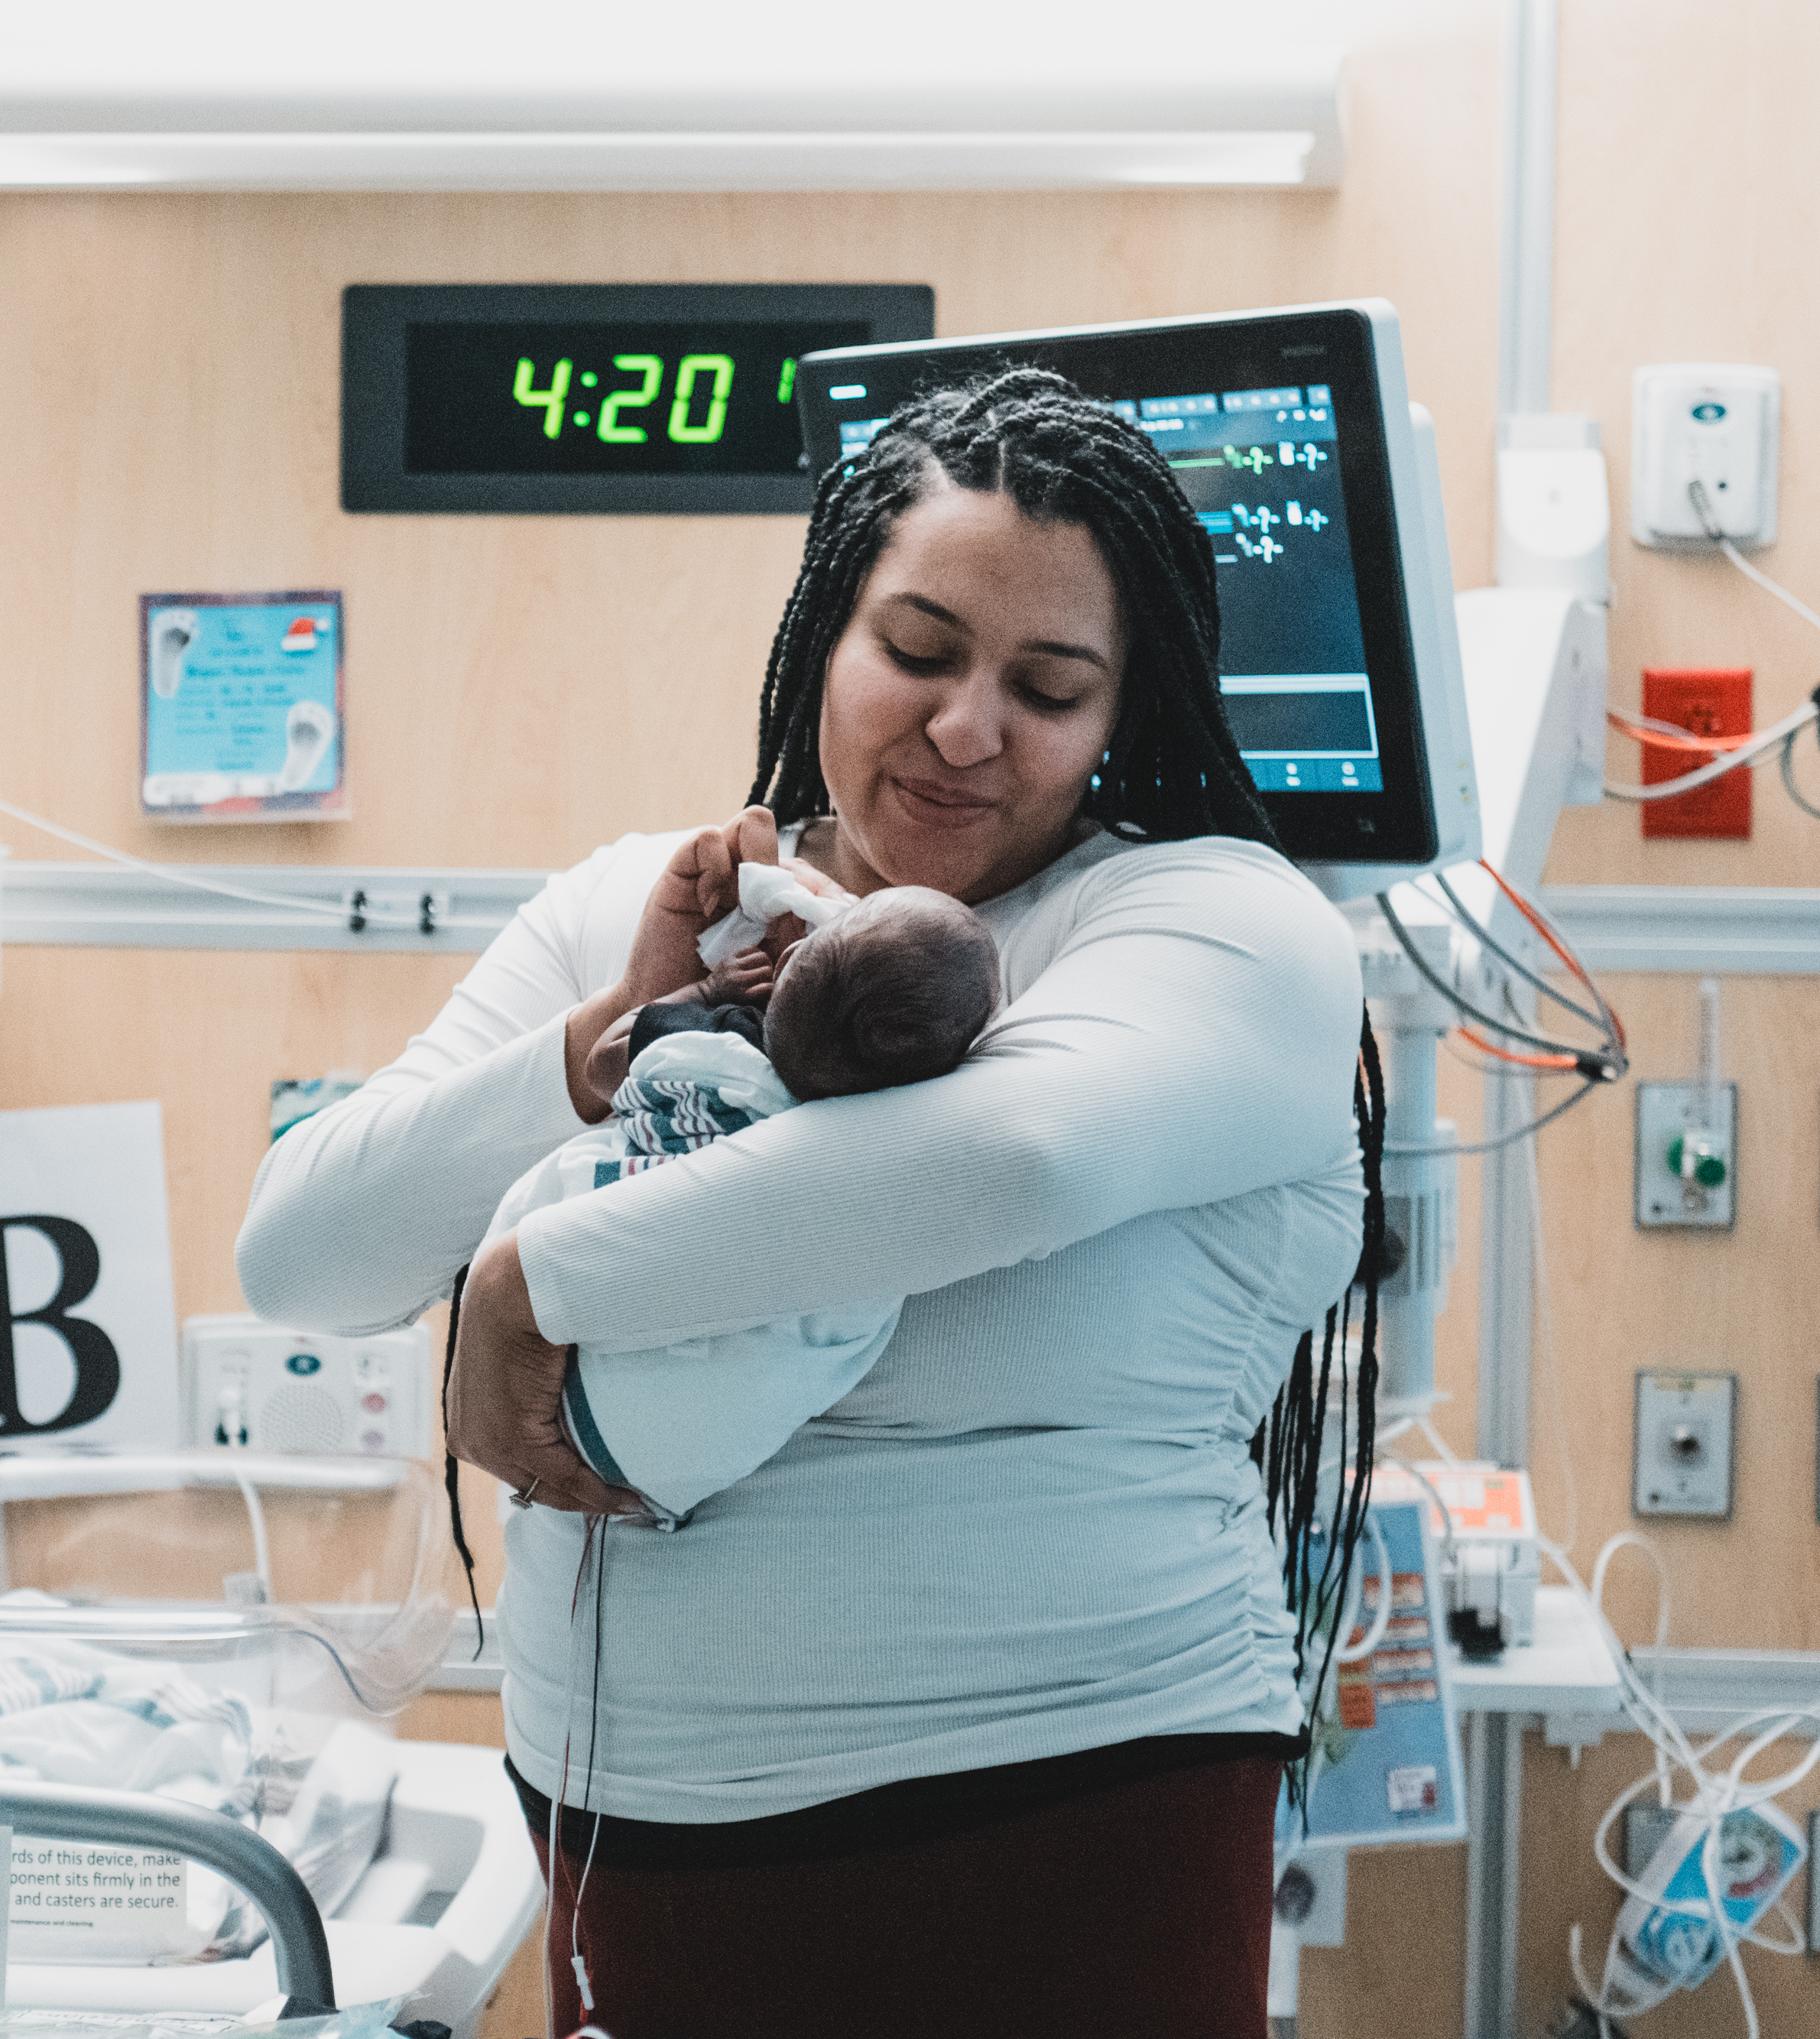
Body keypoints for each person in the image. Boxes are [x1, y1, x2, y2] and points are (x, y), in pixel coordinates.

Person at [238, 368, 1377, 2034]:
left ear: (1124, 712)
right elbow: (302, 1253)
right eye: (915, 651)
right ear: (819, 635)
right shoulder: (642, 905)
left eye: (1047, 686)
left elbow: (1002, 1163)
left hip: (1063, 1827)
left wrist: (528, 1280)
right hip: (630, 1853)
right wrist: (603, 1042)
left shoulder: (1211, 926)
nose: (966, 724)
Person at [485, 889, 1001, 1524]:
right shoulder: (881, 1150)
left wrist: (705, 993)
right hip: (654, 1447)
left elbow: (600, 1066)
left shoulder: (708, 1048)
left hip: (549, 1347)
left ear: (784, 970)